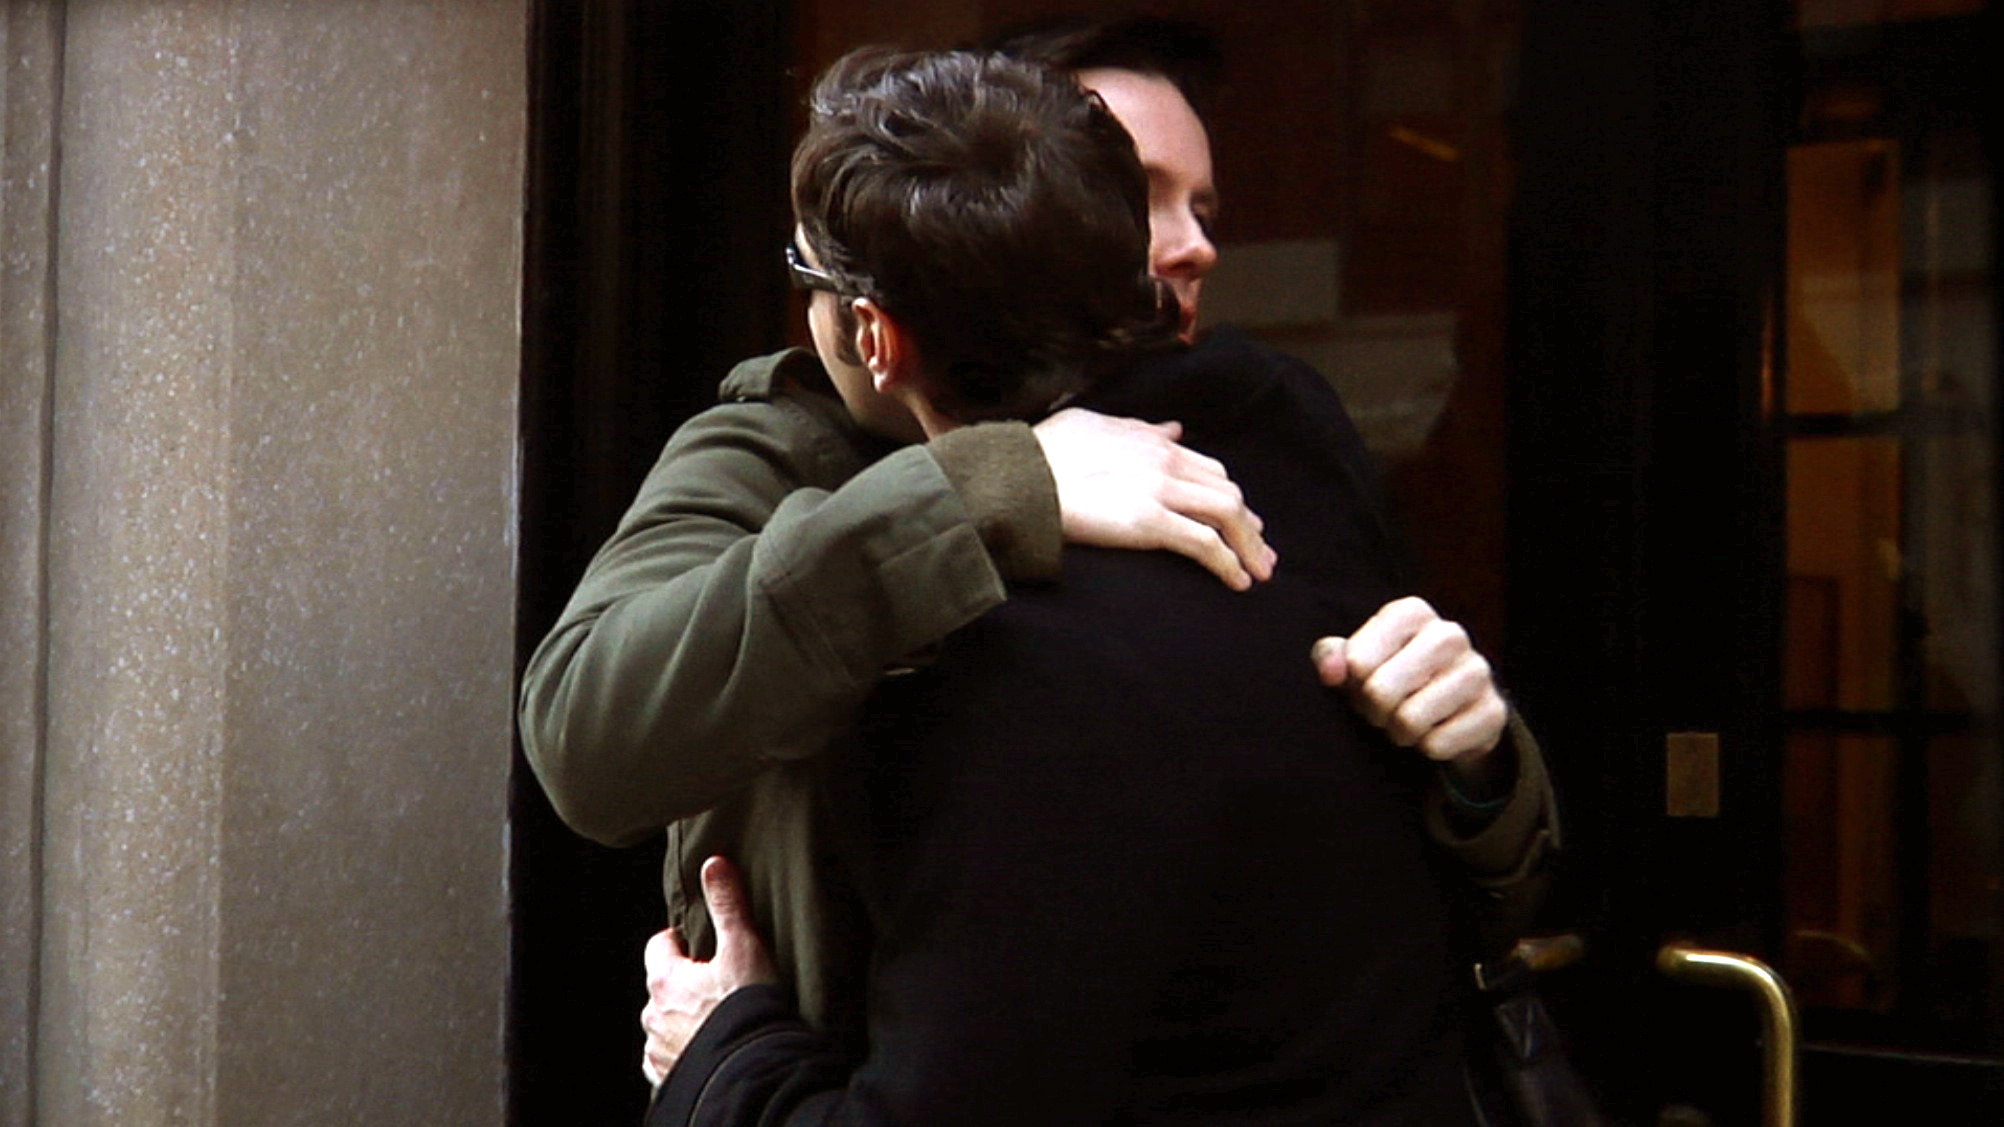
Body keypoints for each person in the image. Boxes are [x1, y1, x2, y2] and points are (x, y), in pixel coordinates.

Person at [522, 23, 1555, 1066]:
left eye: (1203, 208)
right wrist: (982, 488)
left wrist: (1480, 764)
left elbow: (1435, 893)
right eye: (1134, 195)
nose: (1190, 245)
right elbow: (585, 737)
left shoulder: (1261, 427)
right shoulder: (774, 450)